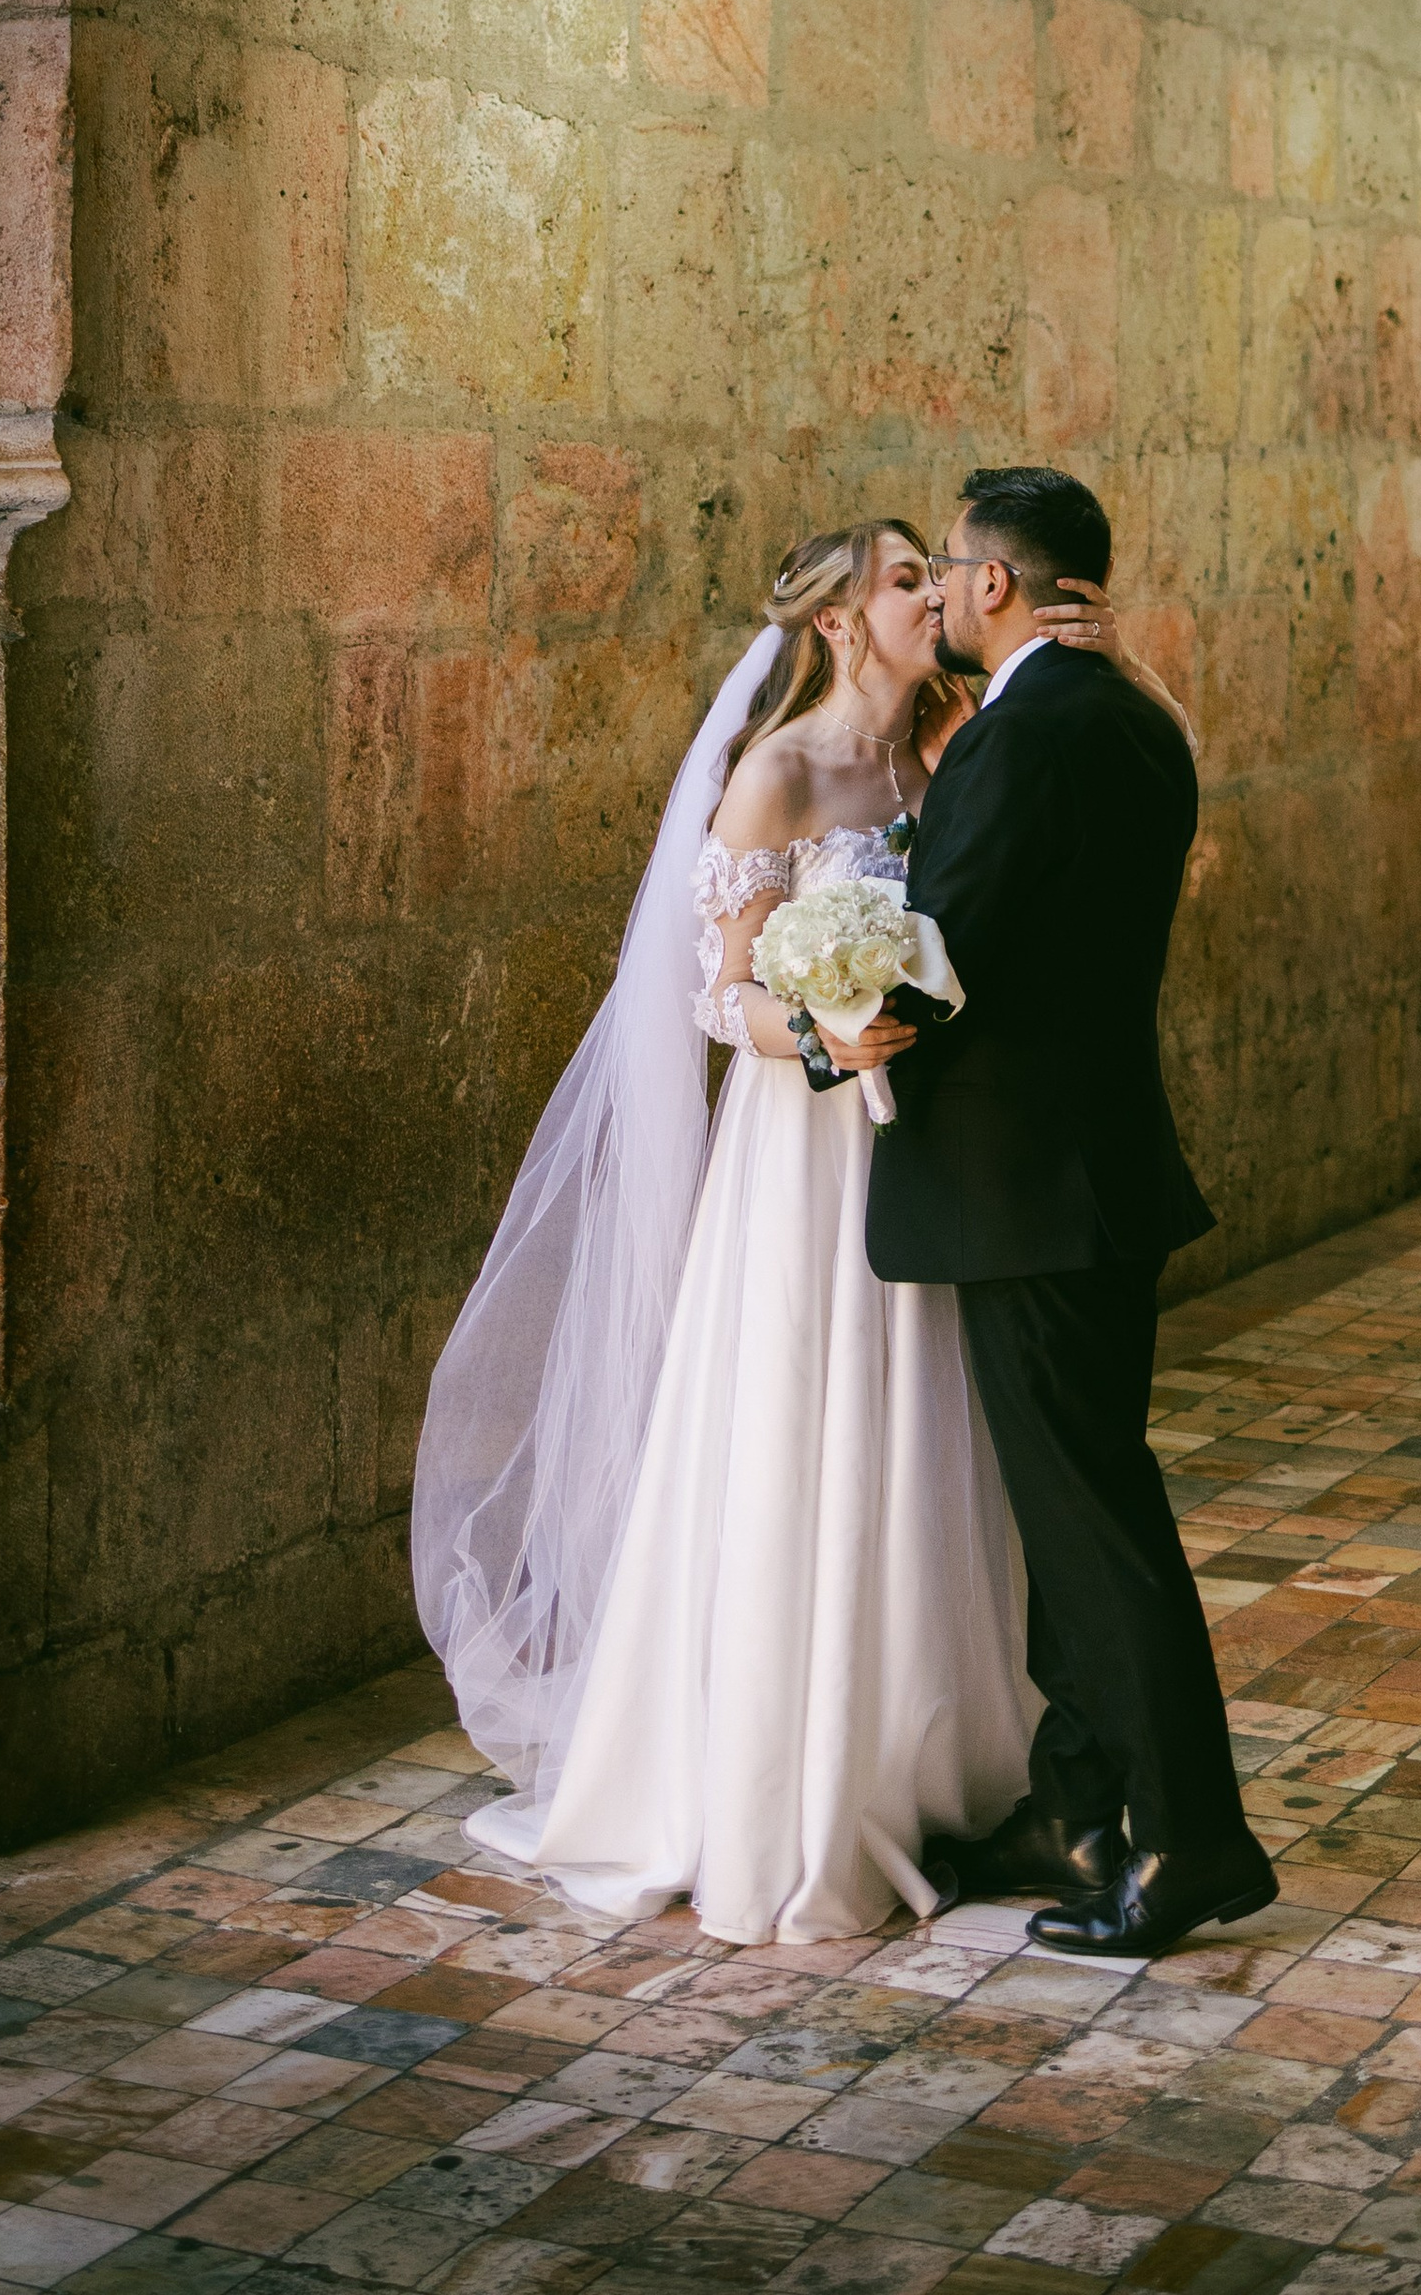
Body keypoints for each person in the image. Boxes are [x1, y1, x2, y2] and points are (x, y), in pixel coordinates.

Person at [410, 516, 1168, 1947]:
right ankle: (789, 1786)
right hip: (804, 1158)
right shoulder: (777, 773)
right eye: (902, 580)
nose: (931, 593)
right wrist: (823, 1029)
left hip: (933, 1161)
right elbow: (717, 996)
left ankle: (936, 1757)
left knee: (925, 1441)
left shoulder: (953, 746)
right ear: (838, 621)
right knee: (796, 1437)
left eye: (935, 572)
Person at [870, 464, 1278, 1962]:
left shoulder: (1026, 738)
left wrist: (813, 1019)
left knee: (1098, 1531)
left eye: (953, 574)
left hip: (1026, 1194)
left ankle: (1190, 1842)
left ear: (994, 582)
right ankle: (1082, 1810)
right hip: (1096, 1178)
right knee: (1077, 1512)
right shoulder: (1135, 722)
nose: (943, 600)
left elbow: (938, 956)